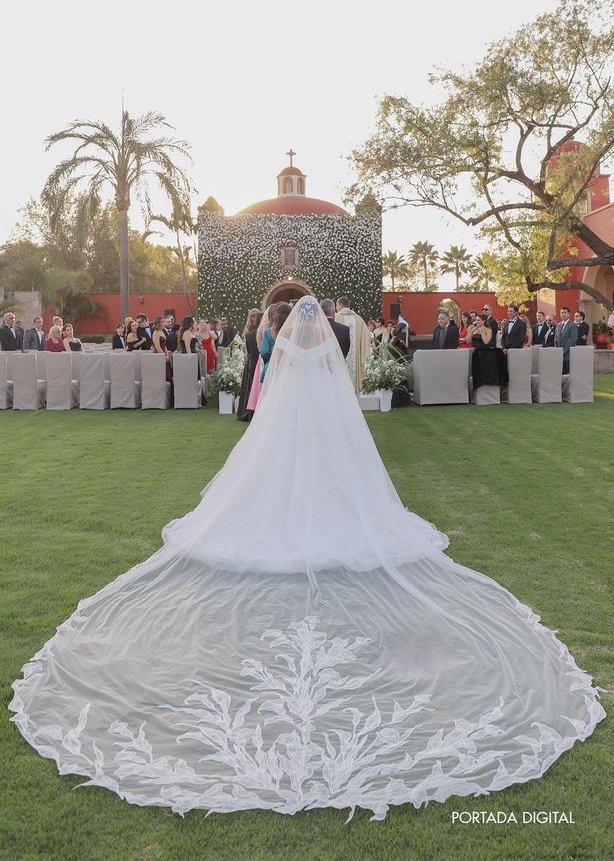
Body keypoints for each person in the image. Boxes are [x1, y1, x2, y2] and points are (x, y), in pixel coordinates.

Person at [10, 295, 604, 820]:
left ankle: (291, 518)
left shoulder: (287, 351)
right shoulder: (332, 349)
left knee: (280, 467)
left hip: (292, 416)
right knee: (332, 471)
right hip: (326, 419)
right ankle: (326, 518)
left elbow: (272, 395)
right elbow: (339, 390)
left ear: (294, 323)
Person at [334, 296, 372, 393]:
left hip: (340, 356)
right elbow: (368, 336)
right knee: (354, 387)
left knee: (340, 388)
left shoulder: (336, 317)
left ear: (341, 305)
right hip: (355, 358)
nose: (336, 307)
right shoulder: (358, 319)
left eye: (337, 305)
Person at [246, 305, 276, 413]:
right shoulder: (265, 328)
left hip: (264, 357)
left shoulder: (268, 327)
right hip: (265, 359)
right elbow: (260, 347)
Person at [236, 308, 263, 422]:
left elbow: (248, 350)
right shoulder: (263, 333)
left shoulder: (249, 334)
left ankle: (248, 412)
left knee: (250, 388)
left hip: (251, 361)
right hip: (259, 361)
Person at [470, 313, 504, 390]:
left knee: (483, 372)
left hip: (484, 353)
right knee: (476, 372)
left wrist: (482, 333)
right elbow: (469, 341)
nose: (477, 322)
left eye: (478, 320)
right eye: (476, 320)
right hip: (476, 353)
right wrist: (471, 332)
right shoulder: (475, 329)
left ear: (483, 321)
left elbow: (486, 342)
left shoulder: (488, 330)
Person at [260, 303, 291, 383]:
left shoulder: (267, 333)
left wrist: (273, 350)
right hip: (289, 368)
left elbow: (264, 352)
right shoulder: (293, 332)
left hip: (271, 368)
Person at [555, 306, 578, 374]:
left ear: (569, 314)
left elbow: (572, 340)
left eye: (565, 312)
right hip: (558, 355)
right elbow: (556, 339)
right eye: (562, 312)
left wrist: (563, 351)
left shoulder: (572, 325)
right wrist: (558, 351)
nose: (563, 314)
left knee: (566, 375)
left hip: (567, 355)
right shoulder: (558, 325)